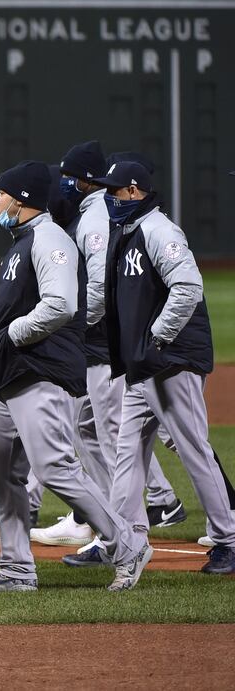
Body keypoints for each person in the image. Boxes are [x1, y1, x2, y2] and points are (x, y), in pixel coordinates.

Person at [0, 162, 151, 593]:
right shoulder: (23, 241)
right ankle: (16, 570)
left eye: (1, 193)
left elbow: (60, 305)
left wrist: (10, 333)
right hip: (14, 376)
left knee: (55, 467)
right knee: (3, 474)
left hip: (40, 371)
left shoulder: (51, 241)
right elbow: (18, 301)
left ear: (21, 199)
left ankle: (129, 541)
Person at [37, 144, 186, 554]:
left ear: (84, 179)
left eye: (69, 176)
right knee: (96, 431)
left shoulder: (97, 218)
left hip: (105, 346)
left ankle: (127, 532)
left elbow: (101, 285)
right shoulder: (93, 214)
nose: (62, 183)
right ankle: (116, 522)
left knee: (137, 437)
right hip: (100, 346)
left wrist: (75, 325)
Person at [96, 162, 234, 575]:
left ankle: (228, 539)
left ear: (135, 191)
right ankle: (125, 538)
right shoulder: (129, 232)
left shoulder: (160, 231)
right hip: (145, 363)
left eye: (115, 191)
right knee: (127, 451)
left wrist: (158, 337)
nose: (109, 197)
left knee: (193, 447)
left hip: (172, 360)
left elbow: (188, 287)